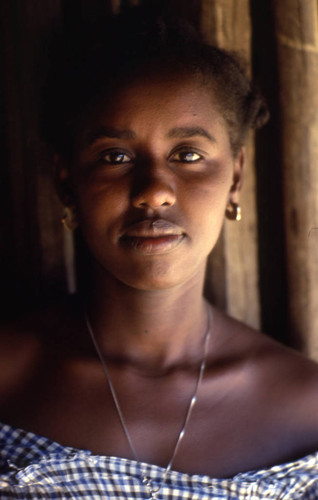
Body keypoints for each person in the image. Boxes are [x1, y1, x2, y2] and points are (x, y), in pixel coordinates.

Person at [1, 6, 318, 499]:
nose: (154, 191)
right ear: (68, 180)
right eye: (116, 157)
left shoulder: (308, 410)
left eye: (188, 155)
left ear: (235, 177)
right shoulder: (10, 380)